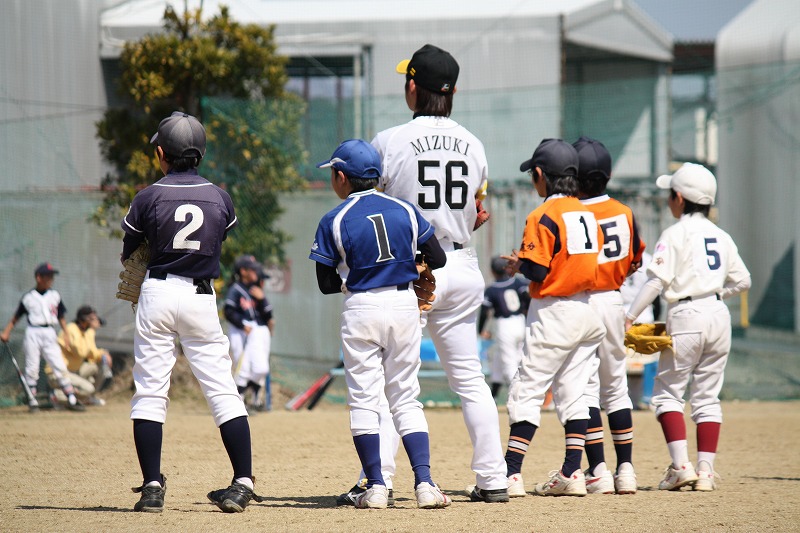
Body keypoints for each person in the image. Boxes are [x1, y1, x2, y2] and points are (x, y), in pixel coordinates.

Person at [366, 43, 509, 504]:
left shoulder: (389, 141)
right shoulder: (474, 143)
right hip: (462, 263)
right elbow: (475, 210)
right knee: (470, 379)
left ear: (413, 86)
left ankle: (379, 480)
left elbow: (374, 207)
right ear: (453, 92)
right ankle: (493, 478)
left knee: (394, 380)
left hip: (413, 268)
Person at [120, 111, 261, 513]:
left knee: (151, 391)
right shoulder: (219, 196)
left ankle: (152, 487)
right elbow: (218, 236)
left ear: (161, 154)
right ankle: (243, 482)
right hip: (201, 296)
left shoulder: (147, 196)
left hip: (158, 293)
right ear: (201, 154)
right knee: (222, 389)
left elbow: (130, 252)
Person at [309, 139, 450, 509]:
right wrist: (412, 263)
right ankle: (425, 484)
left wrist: (354, 276)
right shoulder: (404, 209)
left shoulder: (334, 218)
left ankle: (374, 487)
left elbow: (326, 284)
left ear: (341, 176)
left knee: (364, 400)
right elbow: (438, 257)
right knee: (405, 396)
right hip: (403, 304)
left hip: (361, 307)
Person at [624, 162, 751, 492]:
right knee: (707, 396)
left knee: (667, 393)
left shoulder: (675, 233)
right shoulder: (721, 235)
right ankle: (706, 471)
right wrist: (714, 292)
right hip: (718, 314)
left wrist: (630, 316)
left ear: (679, 198)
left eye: (670, 193)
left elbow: (656, 281)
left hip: (686, 313)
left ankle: (681, 467)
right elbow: (743, 280)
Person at [501, 139, 606, 497]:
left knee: (527, 389)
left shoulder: (543, 214)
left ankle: (510, 474)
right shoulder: (587, 212)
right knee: (575, 393)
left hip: (554, 310)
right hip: (587, 309)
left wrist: (520, 264)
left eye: (533, 174)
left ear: (540, 174)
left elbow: (538, 270)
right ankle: (571, 472)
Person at [573, 136, 645, 495]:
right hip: (614, 300)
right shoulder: (624, 211)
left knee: (585, 389)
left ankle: (598, 469)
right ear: (609, 174)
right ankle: (626, 469)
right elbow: (635, 261)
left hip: (583, 301)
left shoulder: (571, 212)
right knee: (616, 387)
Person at [0, 263, 85, 412]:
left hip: (50, 331)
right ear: (38, 277)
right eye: (48, 276)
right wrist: (7, 332)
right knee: (32, 366)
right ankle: (32, 400)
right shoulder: (28, 297)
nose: (51, 279)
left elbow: (61, 316)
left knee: (58, 364)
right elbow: (16, 317)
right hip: (33, 331)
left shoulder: (54, 295)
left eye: (52, 276)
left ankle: (71, 398)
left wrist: (66, 333)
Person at [224, 255, 274, 412]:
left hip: (252, 331)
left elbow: (268, 314)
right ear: (243, 271)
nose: (255, 272)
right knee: (242, 367)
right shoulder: (235, 289)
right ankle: (238, 404)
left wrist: (263, 299)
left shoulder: (253, 289)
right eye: (251, 269)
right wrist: (241, 324)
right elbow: (228, 311)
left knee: (259, 368)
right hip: (239, 330)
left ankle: (247, 397)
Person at [478, 256, 529, 398]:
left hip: (505, 326)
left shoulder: (491, 289)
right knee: (499, 360)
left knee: (509, 363)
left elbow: (484, 312)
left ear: (492, 271)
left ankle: (520, 397)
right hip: (521, 322)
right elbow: (527, 297)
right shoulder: (517, 282)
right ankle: (493, 396)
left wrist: (480, 330)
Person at [53, 305, 114, 406]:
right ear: (84, 319)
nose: (95, 321)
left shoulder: (84, 331)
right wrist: (91, 331)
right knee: (88, 388)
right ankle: (58, 396)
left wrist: (104, 354)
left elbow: (92, 353)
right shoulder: (72, 329)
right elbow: (80, 352)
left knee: (100, 366)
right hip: (63, 371)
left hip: (76, 369)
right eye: (92, 318)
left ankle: (88, 398)